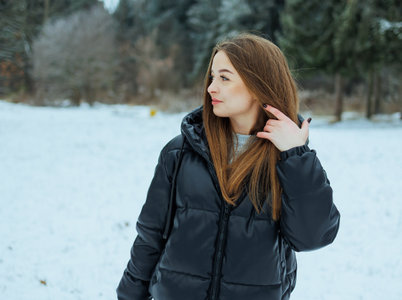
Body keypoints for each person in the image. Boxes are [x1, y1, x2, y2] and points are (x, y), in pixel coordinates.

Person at [116, 33, 340, 300]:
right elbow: (150, 238)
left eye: (224, 78)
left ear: (259, 85)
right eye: (212, 77)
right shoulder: (179, 152)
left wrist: (296, 155)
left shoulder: (288, 160)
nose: (211, 87)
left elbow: (312, 238)